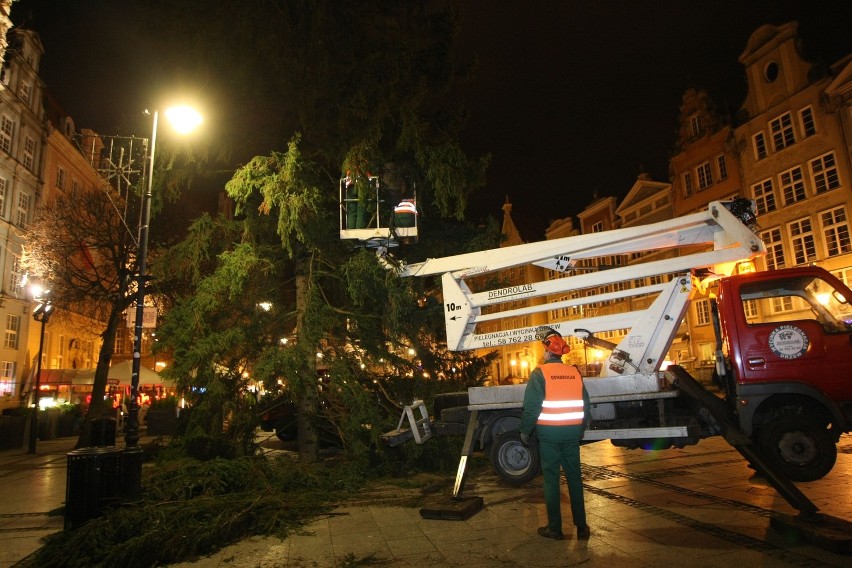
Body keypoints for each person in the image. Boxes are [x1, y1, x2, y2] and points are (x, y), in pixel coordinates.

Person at [519, 326, 591, 541]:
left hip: (549, 436)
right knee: (574, 479)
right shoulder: (574, 372)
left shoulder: (539, 373)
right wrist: (580, 429)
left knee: (551, 480)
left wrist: (525, 431)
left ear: (548, 351)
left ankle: (555, 528)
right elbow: (586, 403)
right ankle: (582, 526)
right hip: (571, 435)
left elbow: (532, 407)